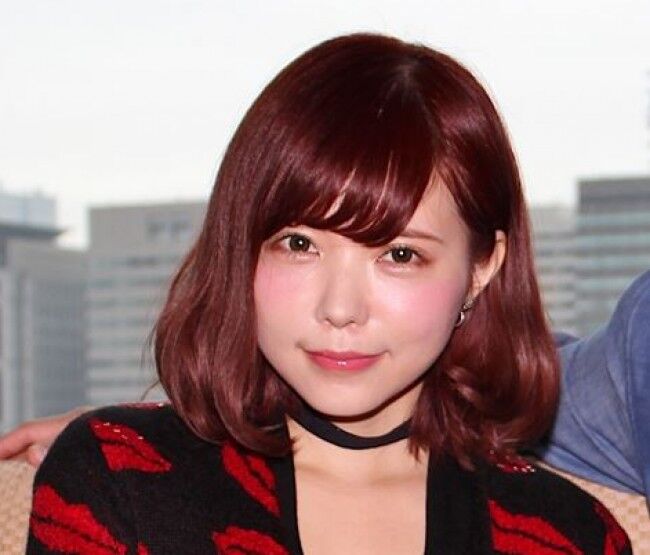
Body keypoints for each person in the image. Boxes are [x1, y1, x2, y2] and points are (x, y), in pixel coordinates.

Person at [12, 34, 633, 553]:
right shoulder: (120, 480)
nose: (340, 308)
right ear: (242, 245)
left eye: (399, 255)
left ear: (481, 268)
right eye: (299, 244)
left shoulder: (566, 536)